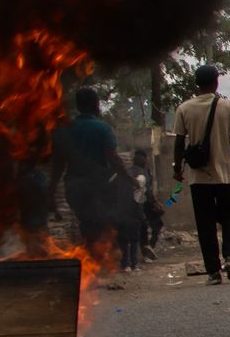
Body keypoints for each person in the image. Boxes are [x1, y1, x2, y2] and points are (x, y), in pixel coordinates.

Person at [172, 65, 230, 285]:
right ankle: (229, 256)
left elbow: (178, 141)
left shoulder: (184, 108)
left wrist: (177, 169)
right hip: (224, 175)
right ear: (216, 81)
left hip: (198, 177)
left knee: (205, 224)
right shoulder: (227, 106)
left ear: (196, 83)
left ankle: (213, 272)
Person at [51, 85, 132, 258]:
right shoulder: (102, 129)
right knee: (102, 223)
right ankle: (94, 262)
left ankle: (89, 262)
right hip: (97, 186)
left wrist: (50, 192)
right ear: (96, 105)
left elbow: (57, 165)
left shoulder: (63, 131)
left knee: (88, 223)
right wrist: (129, 178)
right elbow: (113, 158)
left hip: (73, 187)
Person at [132, 149, 162, 258]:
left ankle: (147, 249)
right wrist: (154, 202)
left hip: (140, 204)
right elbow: (147, 191)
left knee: (145, 227)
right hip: (143, 204)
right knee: (150, 226)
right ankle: (147, 250)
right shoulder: (141, 172)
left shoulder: (141, 171)